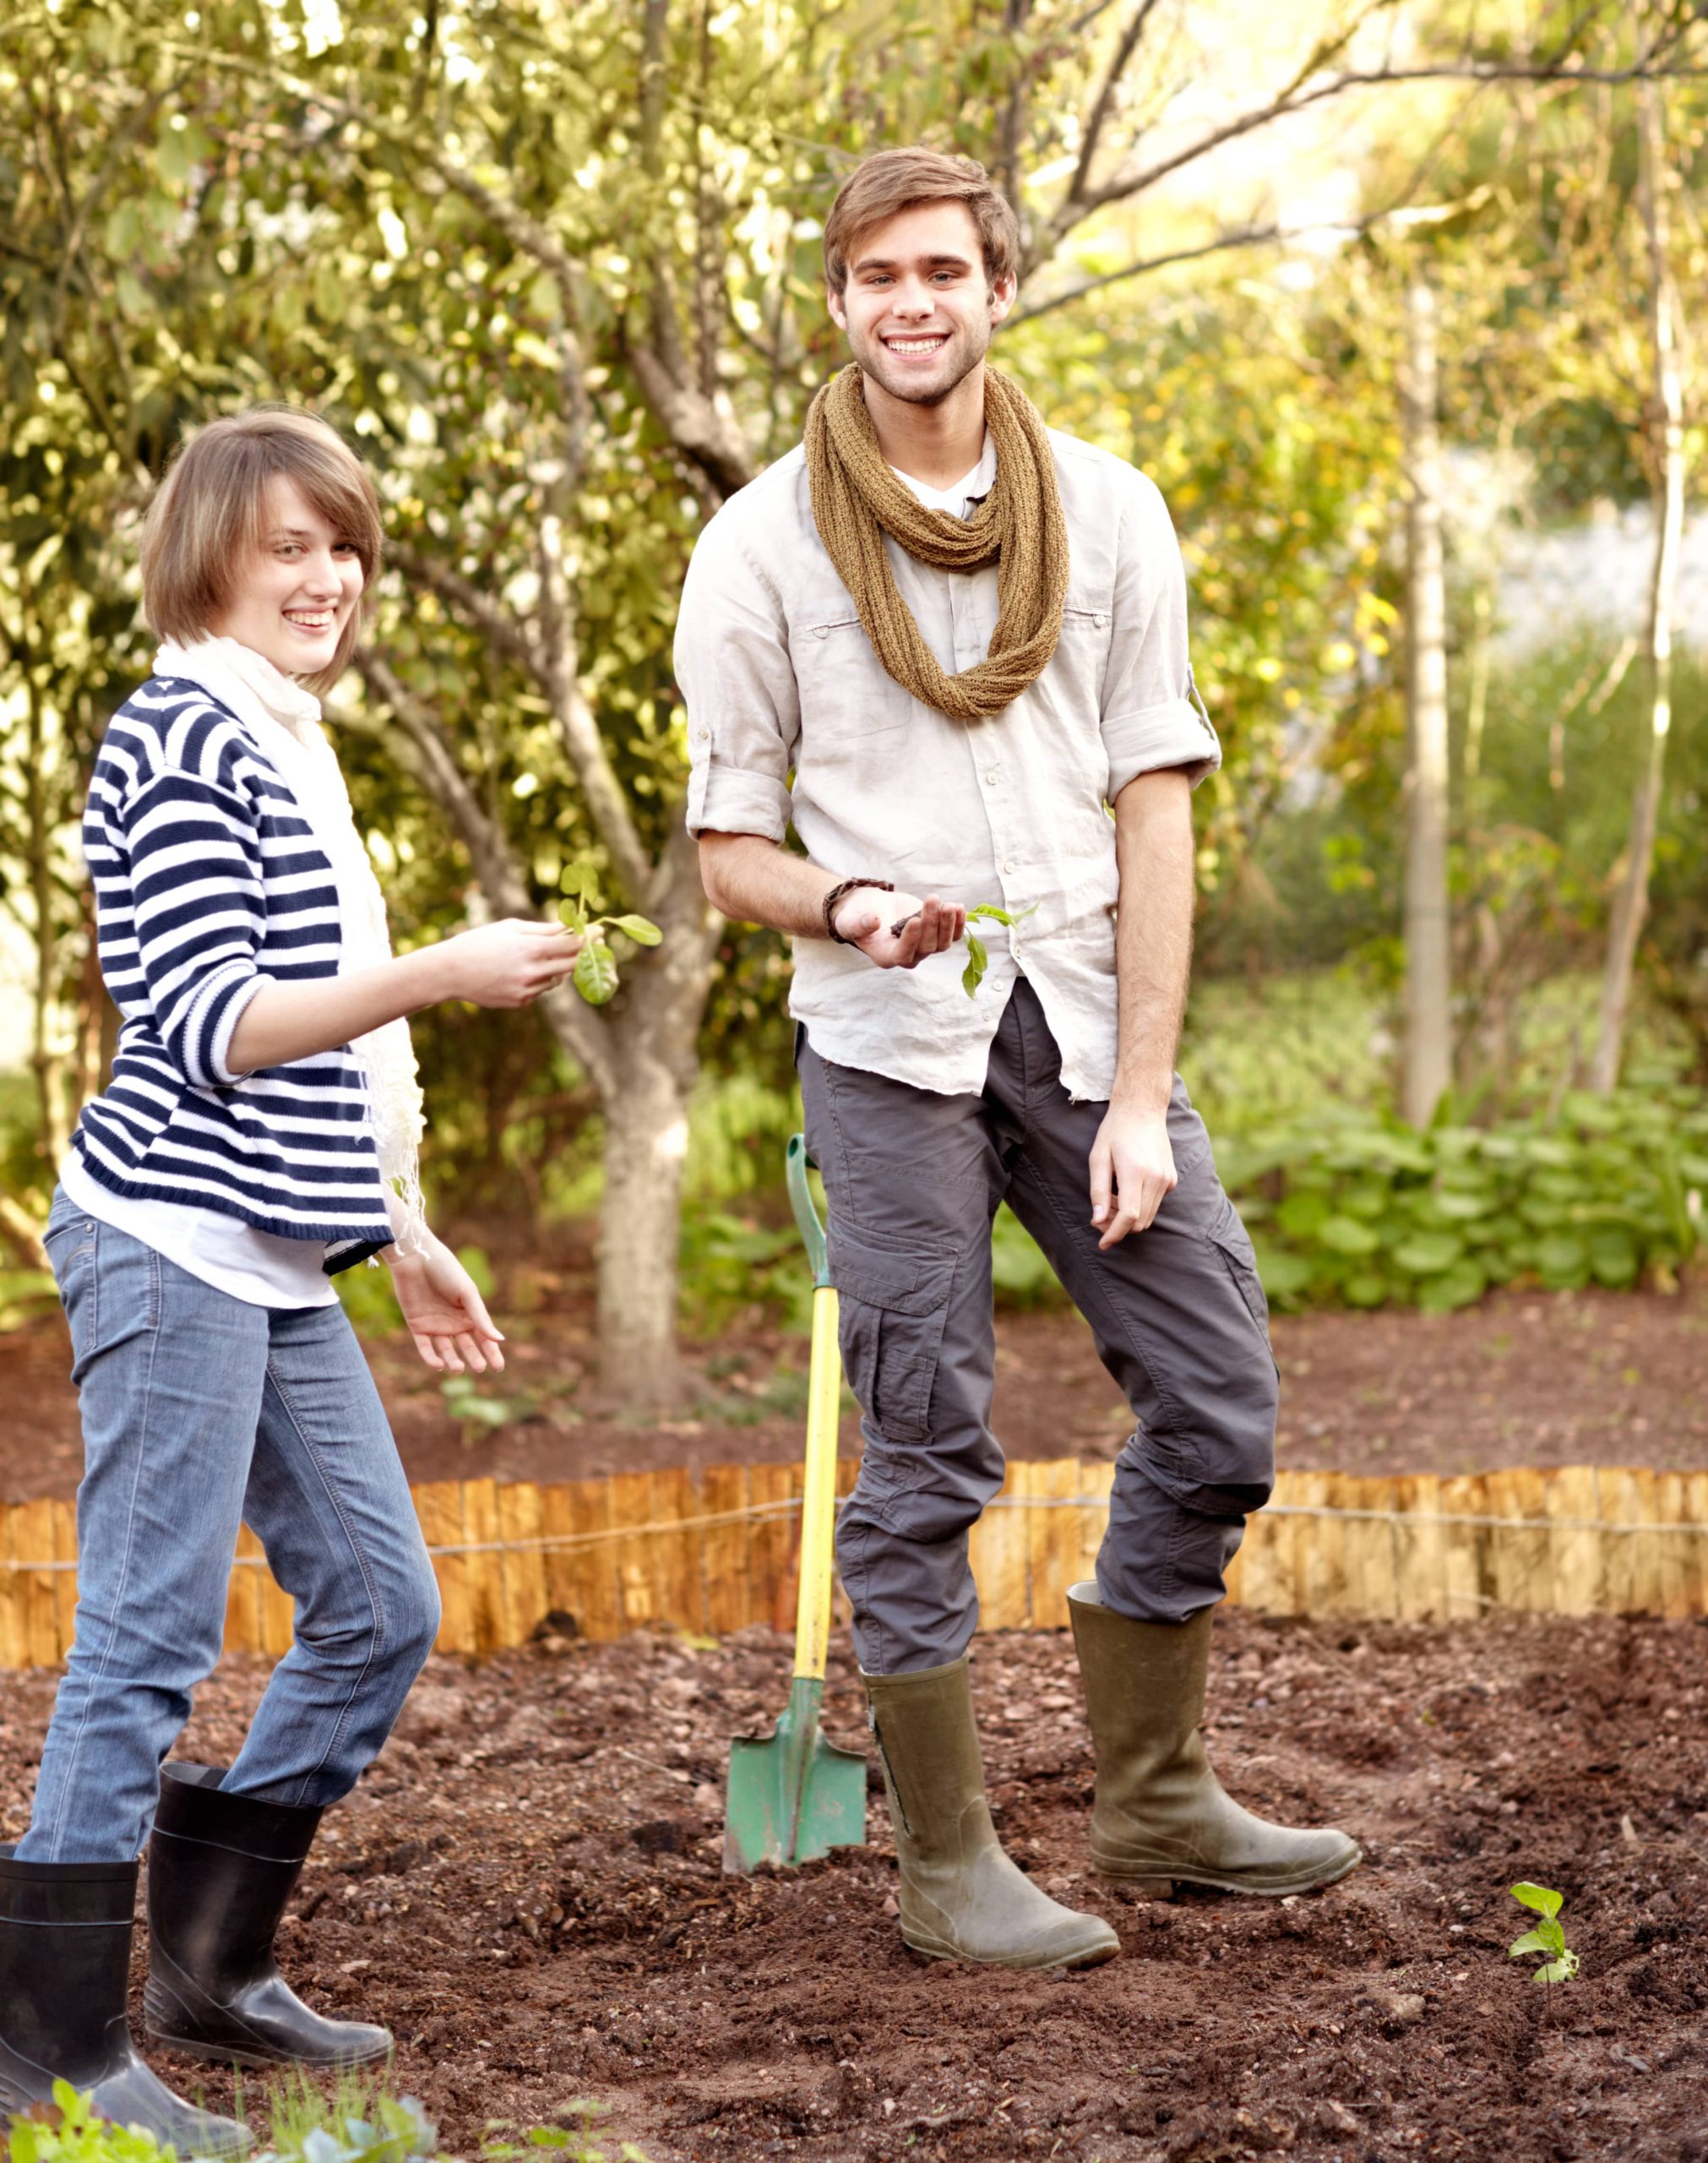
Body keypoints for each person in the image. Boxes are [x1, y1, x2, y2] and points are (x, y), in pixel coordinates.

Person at [678, 148, 1361, 1972]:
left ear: (998, 287)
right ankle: (950, 1864)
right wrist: (843, 901)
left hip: (1075, 1024)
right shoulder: (760, 546)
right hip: (888, 1046)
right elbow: (727, 845)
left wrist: (1141, 1091)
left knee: (1218, 1405)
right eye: (879, 274)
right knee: (925, 1451)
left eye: (945, 271)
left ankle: (1151, 1794)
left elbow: (1157, 807)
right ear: (840, 300)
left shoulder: (1111, 514)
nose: (914, 300)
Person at [0, 408, 580, 2149]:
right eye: (290, 544)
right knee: (148, 1634)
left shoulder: (285, 737)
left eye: (344, 544)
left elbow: (309, 1063)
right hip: (168, 1238)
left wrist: (396, 1228)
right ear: (211, 557)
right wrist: (442, 973)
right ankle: (46, 2041)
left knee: (382, 1604)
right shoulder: (178, 736)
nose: (326, 576)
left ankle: (204, 1955)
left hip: (272, 1248)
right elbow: (217, 1023)